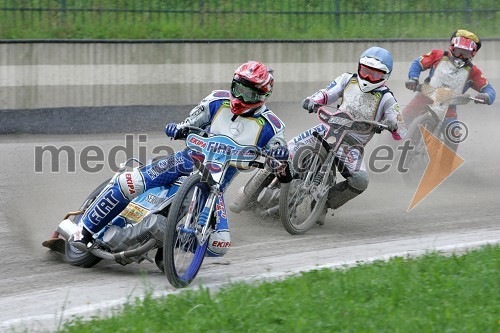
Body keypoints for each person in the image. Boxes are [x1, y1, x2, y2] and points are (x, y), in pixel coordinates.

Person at [71, 60, 290, 257]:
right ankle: (85, 231)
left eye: (248, 94)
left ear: (263, 96)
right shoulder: (216, 100)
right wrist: (178, 129)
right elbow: (189, 122)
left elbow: (283, 167)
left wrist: (279, 160)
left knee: (218, 245)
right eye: (237, 89)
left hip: (214, 186)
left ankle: (168, 248)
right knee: (129, 182)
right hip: (183, 161)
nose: (240, 98)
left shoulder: (272, 126)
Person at [297, 46, 407, 222]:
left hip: (350, 146)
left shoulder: (387, 98)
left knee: (360, 181)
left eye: (375, 74)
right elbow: (327, 93)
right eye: (365, 71)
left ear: (385, 76)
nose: (369, 78)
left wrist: (393, 125)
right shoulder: (347, 79)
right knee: (287, 149)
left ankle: (324, 203)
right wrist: (313, 100)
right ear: (359, 67)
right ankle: (262, 185)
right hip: (327, 129)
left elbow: (401, 131)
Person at [402, 29, 496, 146]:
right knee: (402, 119)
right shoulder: (437, 55)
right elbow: (418, 63)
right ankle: (386, 143)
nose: (460, 56)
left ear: (472, 54)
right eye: (458, 51)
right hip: (425, 95)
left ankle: (446, 163)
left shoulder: (473, 72)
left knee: (454, 133)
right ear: (452, 48)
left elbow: (489, 90)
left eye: (465, 53)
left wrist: (486, 96)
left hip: (449, 106)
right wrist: (413, 79)